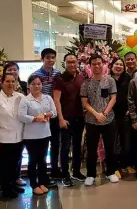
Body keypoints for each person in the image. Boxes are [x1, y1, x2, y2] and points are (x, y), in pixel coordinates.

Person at [81, 54, 119, 186]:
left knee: (110, 147)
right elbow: (84, 102)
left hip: (109, 120)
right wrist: (96, 114)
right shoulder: (86, 83)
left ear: (103, 64)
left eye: (99, 63)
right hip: (92, 121)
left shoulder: (110, 81)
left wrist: (104, 113)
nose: (97, 66)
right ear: (90, 66)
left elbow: (113, 98)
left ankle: (111, 172)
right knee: (91, 148)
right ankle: (90, 174)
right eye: (94, 64)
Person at [0, 73, 25, 198]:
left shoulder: (20, 97)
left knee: (15, 163)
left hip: (18, 136)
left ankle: (13, 184)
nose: (10, 84)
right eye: (7, 81)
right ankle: (6, 188)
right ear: (2, 82)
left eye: (13, 81)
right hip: (3, 138)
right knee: (4, 165)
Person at [18, 75, 57, 195]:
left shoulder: (47, 98)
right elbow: (21, 116)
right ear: (29, 86)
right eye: (34, 84)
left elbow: (54, 112)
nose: (37, 86)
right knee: (32, 160)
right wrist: (36, 119)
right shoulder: (25, 100)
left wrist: (45, 115)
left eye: (39, 84)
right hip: (30, 136)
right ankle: (34, 184)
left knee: (43, 160)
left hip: (44, 134)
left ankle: (42, 182)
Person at [52, 54, 86, 187]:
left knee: (77, 146)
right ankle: (65, 174)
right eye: (69, 62)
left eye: (74, 62)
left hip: (80, 118)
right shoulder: (59, 78)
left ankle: (76, 172)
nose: (72, 64)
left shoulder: (81, 76)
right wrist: (60, 118)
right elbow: (56, 99)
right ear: (65, 63)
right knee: (65, 147)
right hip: (66, 118)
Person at [31, 48, 62, 179]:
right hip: (41, 115)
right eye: (48, 57)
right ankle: (41, 171)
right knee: (42, 145)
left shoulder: (58, 74)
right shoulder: (36, 75)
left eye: (53, 57)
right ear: (42, 58)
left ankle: (54, 169)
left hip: (54, 114)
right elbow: (32, 95)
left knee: (55, 143)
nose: (51, 60)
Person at [110, 57, 134, 173]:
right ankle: (114, 164)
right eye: (116, 64)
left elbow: (131, 95)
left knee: (126, 140)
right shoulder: (107, 79)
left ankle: (125, 163)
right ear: (111, 66)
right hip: (111, 114)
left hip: (125, 114)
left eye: (121, 64)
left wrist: (130, 109)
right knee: (113, 140)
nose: (118, 66)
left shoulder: (128, 78)